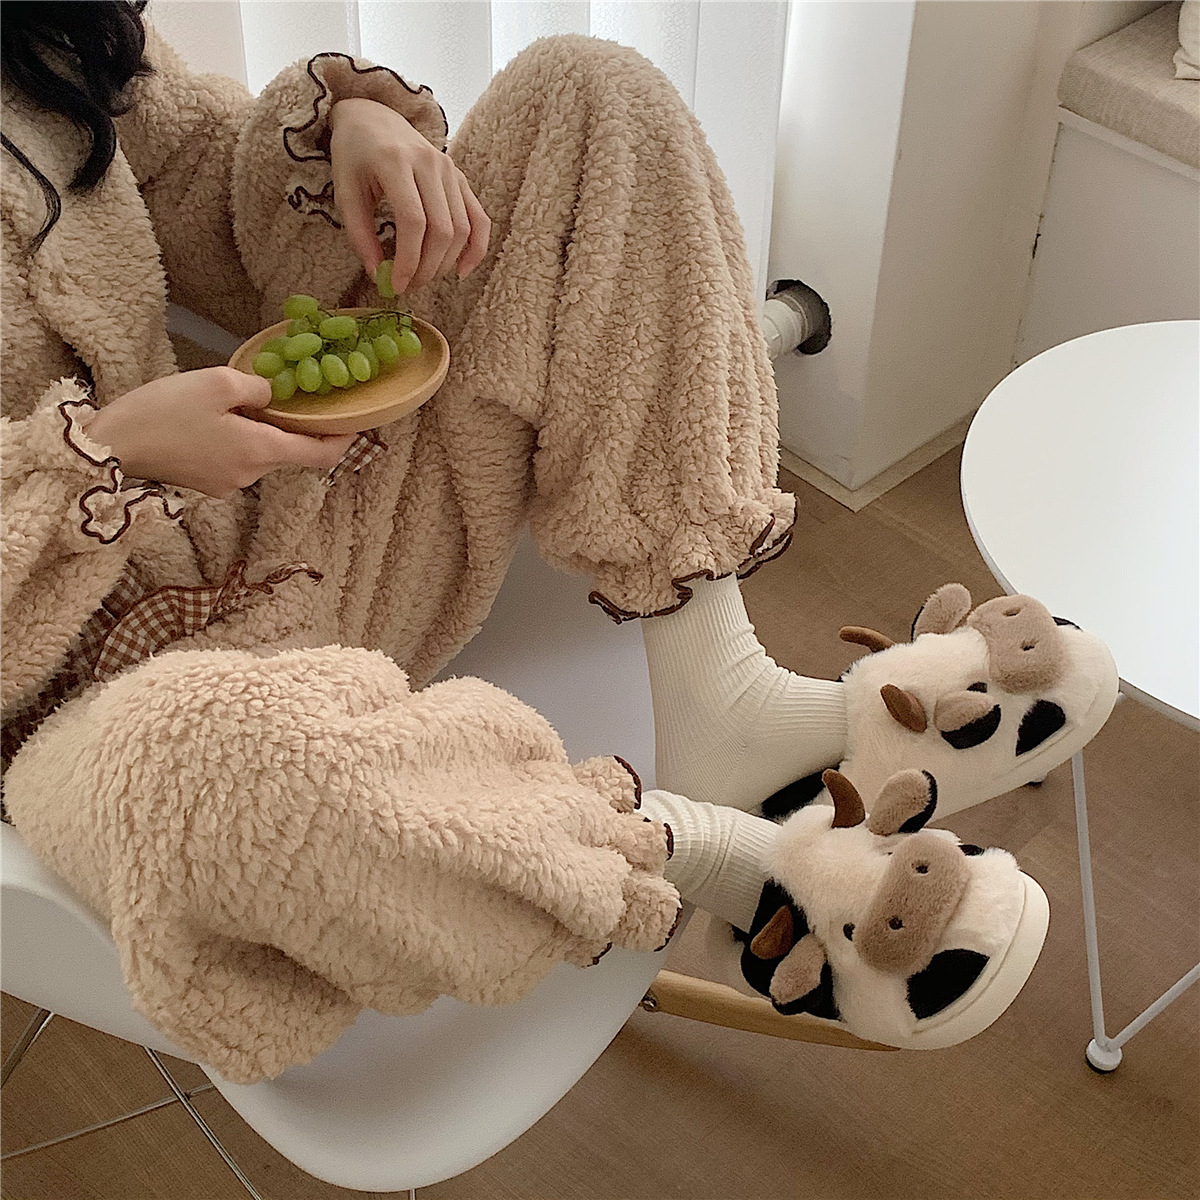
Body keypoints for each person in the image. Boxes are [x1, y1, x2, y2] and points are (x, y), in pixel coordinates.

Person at [0, 1, 1116, 1083]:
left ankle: (720, 694)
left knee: (590, 95)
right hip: (83, 713)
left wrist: (349, 131)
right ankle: (718, 864)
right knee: (214, 773)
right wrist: (104, 454)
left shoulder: (40, 36)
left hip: (286, 539)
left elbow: (196, 185)